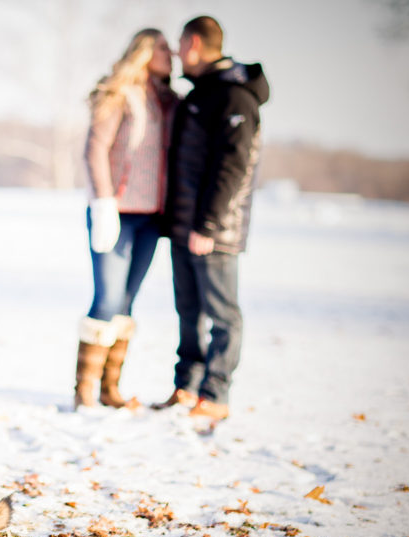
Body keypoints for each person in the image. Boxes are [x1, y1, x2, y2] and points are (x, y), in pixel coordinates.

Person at [155, 16, 270, 421]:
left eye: (180, 44)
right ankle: (187, 387)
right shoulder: (201, 93)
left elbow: (233, 167)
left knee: (222, 315)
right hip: (186, 228)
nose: (176, 53)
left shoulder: (234, 97)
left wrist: (207, 225)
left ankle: (216, 395)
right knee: (188, 310)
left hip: (213, 232)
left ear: (197, 43)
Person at [74, 28, 177, 409]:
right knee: (108, 299)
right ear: (145, 52)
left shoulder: (166, 101)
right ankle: (84, 392)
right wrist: (103, 203)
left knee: (127, 302)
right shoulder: (117, 94)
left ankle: (109, 389)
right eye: (164, 48)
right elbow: (95, 150)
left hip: (151, 216)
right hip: (114, 214)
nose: (173, 54)